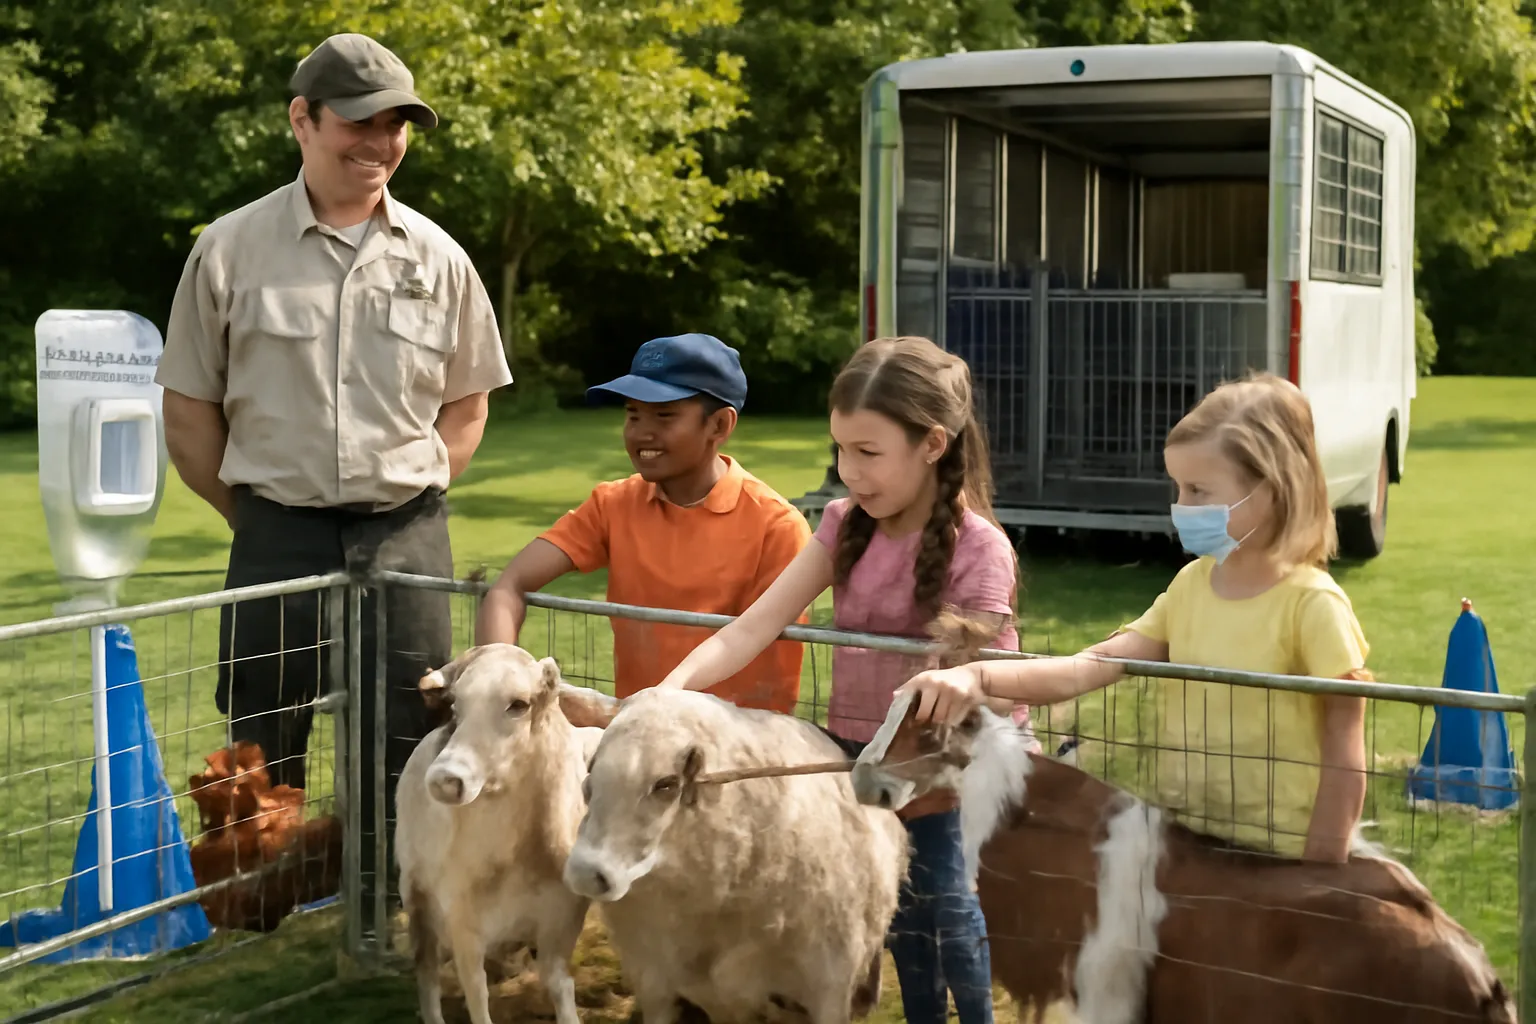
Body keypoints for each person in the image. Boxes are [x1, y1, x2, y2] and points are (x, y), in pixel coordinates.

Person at [155, 32, 512, 913]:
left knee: (411, 728)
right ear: (301, 120)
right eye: (359, 121)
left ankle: (392, 908)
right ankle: (255, 910)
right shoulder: (229, 251)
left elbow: (467, 407)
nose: (380, 142)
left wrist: (412, 495)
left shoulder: (441, 259)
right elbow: (189, 411)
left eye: (397, 124)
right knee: (263, 726)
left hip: (406, 529)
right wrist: (259, 517)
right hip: (276, 525)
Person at [656, 335, 1027, 1024]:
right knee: (888, 911)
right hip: (856, 754)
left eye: (867, 453)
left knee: (942, 905)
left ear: (932, 445)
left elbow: (992, 680)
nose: (848, 471)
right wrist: (668, 692)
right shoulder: (841, 522)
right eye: (840, 450)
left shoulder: (981, 550)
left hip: (941, 764)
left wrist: (960, 691)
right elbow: (752, 626)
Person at [900, 371, 1371, 864]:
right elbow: (1091, 665)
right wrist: (976, 675)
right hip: (1188, 844)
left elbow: (1345, 746)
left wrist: (1322, 865)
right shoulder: (1190, 587)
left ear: (1272, 491)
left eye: (1199, 491)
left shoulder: (1314, 606)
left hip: (1283, 856)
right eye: (1179, 488)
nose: (1180, 507)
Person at [476, 332, 812, 713]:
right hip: (631, 738)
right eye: (632, 414)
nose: (641, 433)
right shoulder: (613, 504)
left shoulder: (777, 527)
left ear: (719, 426)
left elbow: (770, 672)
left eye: (664, 415)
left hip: (729, 751)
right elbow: (510, 585)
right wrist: (500, 680)